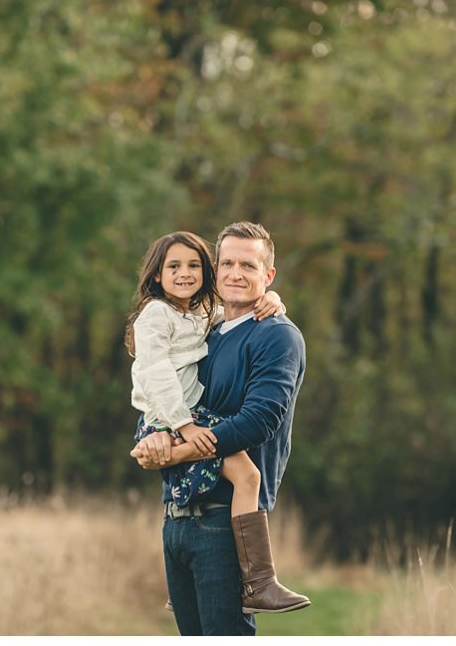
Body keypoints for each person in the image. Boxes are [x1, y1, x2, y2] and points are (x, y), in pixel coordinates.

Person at [133, 222, 309, 635]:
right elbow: (166, 386)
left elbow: (259, 422)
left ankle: (261, 580)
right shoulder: (201, 329)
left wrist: (176, 451)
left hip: (224, 523)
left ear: (268, 276)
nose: (235, 273)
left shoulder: (277, 336)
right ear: (215, 269)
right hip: (176, 518)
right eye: (227, 262)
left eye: (248, 265)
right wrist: (156, 435)